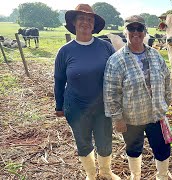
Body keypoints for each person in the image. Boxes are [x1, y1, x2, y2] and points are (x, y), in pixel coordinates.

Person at [54, 4, 120, 180]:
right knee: (83, 142)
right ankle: (91, 174)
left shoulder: (105, 47)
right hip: (75, 107)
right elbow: (59, 80)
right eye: (81, 18)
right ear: (74, 22)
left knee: (104, 141)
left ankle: (106, 172)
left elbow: (117, 73)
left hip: (102, 106)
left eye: (89, 19)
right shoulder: (65, 51)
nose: (85, 22)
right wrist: (58, 105)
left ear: (94, 24)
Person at [103, 15, 172, 180]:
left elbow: (167, 81)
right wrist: (118, 118)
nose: (135, 32)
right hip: (132, 117)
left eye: (139, 28)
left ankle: (162, 176)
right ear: (125, 32)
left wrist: (165, 104)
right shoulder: (116, 60)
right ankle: (136, 176)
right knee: (134, 149)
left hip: (156, 115)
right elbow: (111, 92)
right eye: (131, 28)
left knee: (162, 149)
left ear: (144, 31)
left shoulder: (156, 56)